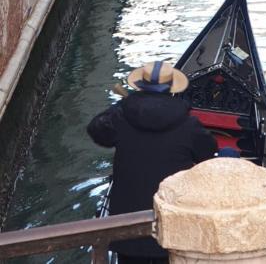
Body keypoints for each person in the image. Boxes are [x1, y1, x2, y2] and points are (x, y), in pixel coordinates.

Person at [87, 60, 217, 264]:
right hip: (170, 228)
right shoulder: (189, 125)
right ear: (172, 90)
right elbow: (208, 153)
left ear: (140, 86)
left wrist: (122, 106)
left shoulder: (121, 117)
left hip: (128, 231)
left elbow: (96, 130)